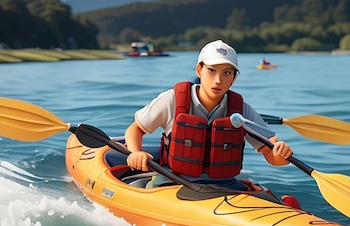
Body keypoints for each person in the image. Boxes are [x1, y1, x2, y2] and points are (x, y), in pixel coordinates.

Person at [124, 40, 294, 190]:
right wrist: (135, 152)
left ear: (234, 78)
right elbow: (136, 129)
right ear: (199, 70)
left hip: (225, 186)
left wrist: (283, 155)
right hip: (173, 182)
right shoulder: (173, 99)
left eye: (226, 73)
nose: (218, 80)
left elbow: (271, 153)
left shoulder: (241, 110)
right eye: (212, 70)